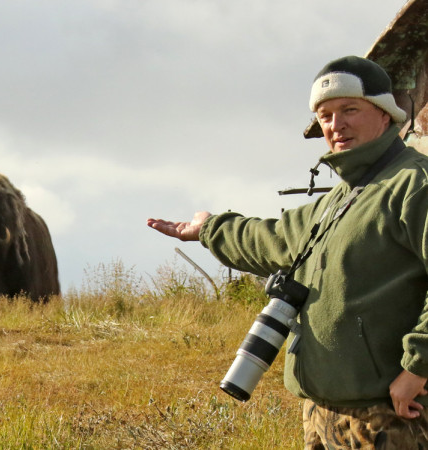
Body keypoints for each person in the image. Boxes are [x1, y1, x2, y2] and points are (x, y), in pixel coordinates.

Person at [147, 56, 428, 449]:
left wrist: (417, 367)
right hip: (321, 412)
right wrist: (209, 229)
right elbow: (269, 239)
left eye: (350, 110)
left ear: (385, 115)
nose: (336, 124)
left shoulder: (414, 184)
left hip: (389, 413)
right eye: (325, 115)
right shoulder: (339, 200)